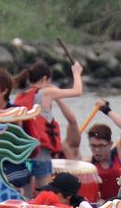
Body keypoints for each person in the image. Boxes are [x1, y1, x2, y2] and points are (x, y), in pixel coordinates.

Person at [12, 60, 85, 194]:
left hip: (24, 155)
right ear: (45, 79)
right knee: (43, 192)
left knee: (27, 195)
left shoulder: (22, 96)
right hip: (41, 154)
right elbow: (78, 91)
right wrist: (76, 72)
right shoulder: (45, 92)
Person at [87, 124, 121, 203]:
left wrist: (108, 112)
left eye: (101, 145)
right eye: (93, 146)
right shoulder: (88, 165)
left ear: (110, 144)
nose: (96, 150)